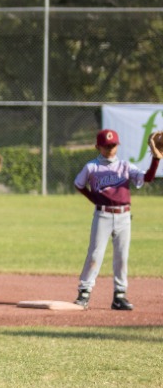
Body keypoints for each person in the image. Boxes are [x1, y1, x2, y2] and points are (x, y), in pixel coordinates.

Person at [73, 128, 159, 310]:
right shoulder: (91, 167)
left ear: (117, 146)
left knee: (121, 256)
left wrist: (156, 159)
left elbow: (148, 178)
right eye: (106, 146)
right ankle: (84, 292)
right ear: (98, 147)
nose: (110, 149)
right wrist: (94, 199)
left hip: (124, 216)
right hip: (102, 215)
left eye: (113, 145)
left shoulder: (125, 166)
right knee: (95, 254)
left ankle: (119, 296)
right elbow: (79, 184)